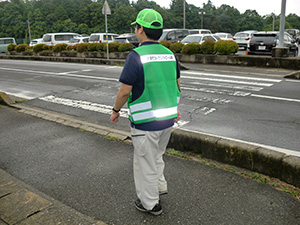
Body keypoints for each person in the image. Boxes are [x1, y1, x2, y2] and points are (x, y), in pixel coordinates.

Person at [110, 8, 181, 216]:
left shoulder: (136, 56)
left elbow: (125, 91)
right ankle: (158, 187)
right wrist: (176, 109)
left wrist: (115, 111)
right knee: (157, 157)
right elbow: (176, 85)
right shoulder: (170, 55)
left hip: (145, 123)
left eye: (136, 26)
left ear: (140, 29)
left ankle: (150, 204)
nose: (135, 30)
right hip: (167, 120)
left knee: (145, 163)